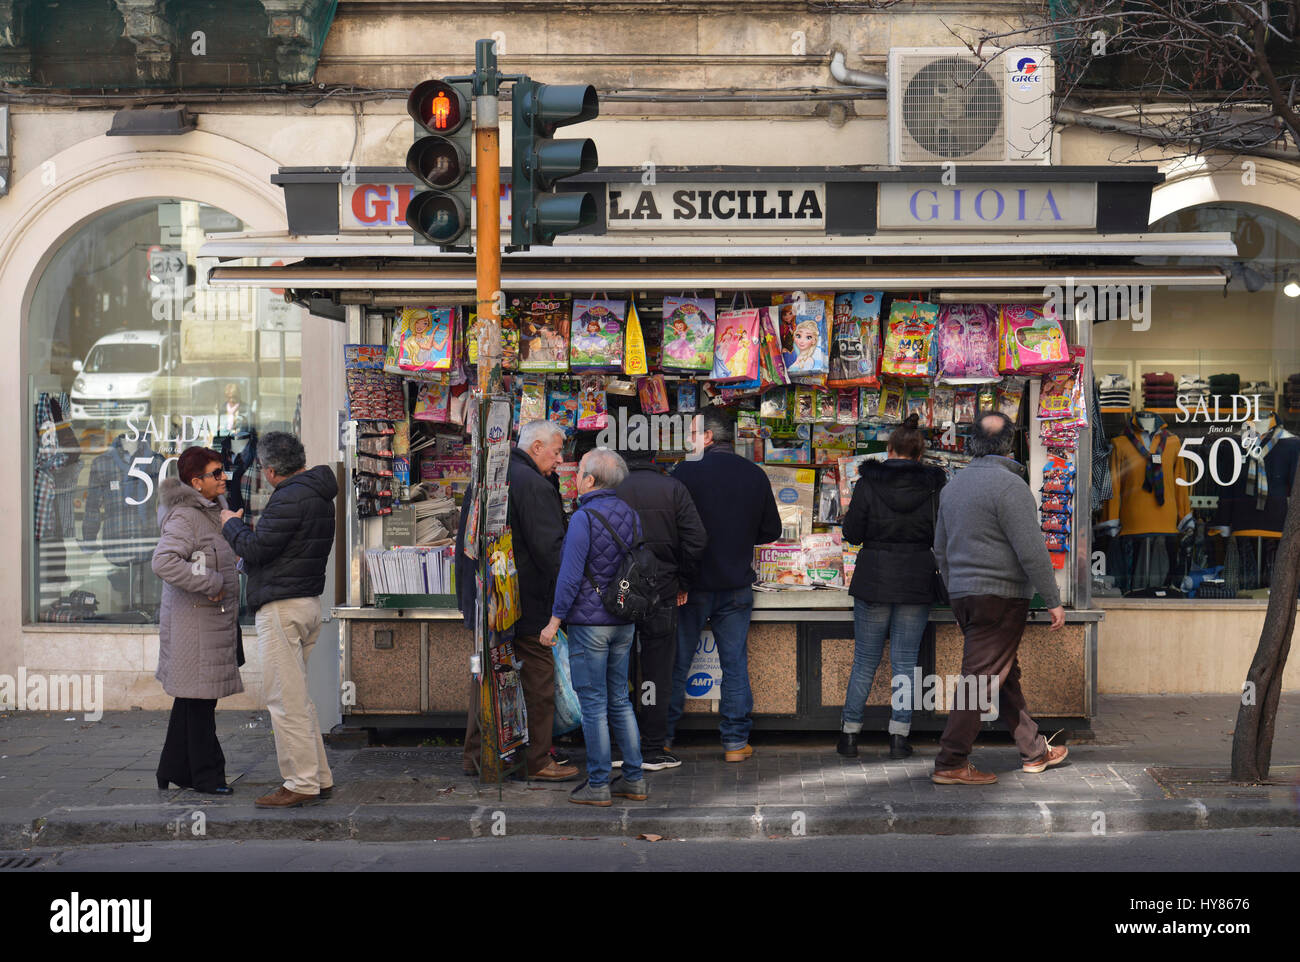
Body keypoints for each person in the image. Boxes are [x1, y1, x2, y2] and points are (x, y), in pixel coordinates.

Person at [931, 411, 1069, 785]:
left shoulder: (952, 487)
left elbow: (940, 549)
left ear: (972, 442)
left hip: (964, 593)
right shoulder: (1010, 487)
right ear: (1010, 444)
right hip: (1000, 596)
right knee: (980, 679)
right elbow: (1032, 550)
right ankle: (951, 760)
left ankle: (1034, 750)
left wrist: (955, 588)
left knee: (1001, 672)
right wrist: (1052, 598)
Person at [220, 432, 338, 808]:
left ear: (271, 470)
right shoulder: (318, 493)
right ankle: (317, 775)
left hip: (281, 607)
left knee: (284, 699)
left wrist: (231, 524)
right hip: (305, 602)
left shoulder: (288, 497)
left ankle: (300, 782)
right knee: (298, 697)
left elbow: (256, 548)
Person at [460, 419, 578, 782]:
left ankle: (478, 755)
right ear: (537, 446)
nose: (560, 459)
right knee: (539, 680)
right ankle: (538, 759)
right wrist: (567, 597)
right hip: (523, 602)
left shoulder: (489, 477)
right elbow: (551, 551)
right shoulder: (534, 486)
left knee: (487, 676)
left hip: (486, 599)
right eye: (557, 451)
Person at [668, 409, 782, 762]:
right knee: (734, 663)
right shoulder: (754, 474)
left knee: (677, 662)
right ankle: (734, 742)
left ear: (707, 438)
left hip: (691, 587)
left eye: (692, 434)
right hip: (735, 587)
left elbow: (672, 529)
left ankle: (663, 738)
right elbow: (772, 531)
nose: (688, 441)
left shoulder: (684, 473)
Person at [540, 450, 648, 805]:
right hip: (623, 621)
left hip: (590, 625)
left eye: (580, 472)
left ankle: (599, 784)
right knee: (620, 700)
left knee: (594, 704)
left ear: (589, 480)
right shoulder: (631, 515)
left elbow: (570, 577)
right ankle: (633, 779)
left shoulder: (584, 518)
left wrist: (555, 621)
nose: (574, 477)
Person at [838, 413, 946, 760]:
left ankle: (850, 736)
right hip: (916, 577)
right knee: (904, 663)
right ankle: (899, 738)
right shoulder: (933, 485)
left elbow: (852, 533)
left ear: (889, 450)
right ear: (919, 454)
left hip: (874, 577)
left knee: (864, 661)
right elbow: (940, 535)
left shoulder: (868, 483)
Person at [614, 420, 708, 770]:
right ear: (654, 456)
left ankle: (619, 746)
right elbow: (697, 541)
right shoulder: (673, 488)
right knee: (655, 670)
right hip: (662, 593)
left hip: (617, 596)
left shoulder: (612, 489)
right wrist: (682, 581)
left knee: (618, 669)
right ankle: (653, 746)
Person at [152, 447, 243, 795]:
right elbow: (164, 562)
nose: (223, 478)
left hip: (211, 624)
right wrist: (211, 582)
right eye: (216, 473)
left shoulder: (213, 511)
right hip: (194, 628)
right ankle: (208, 777)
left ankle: (171, 769)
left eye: (223, 472)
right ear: (196, 482)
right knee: (200, 704)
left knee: (192, 701)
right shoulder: (185, 517)